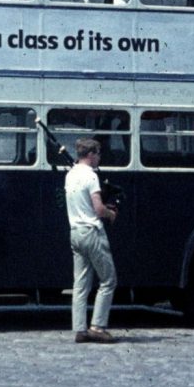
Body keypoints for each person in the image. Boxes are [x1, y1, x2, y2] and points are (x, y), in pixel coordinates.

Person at [66, 137, 118, 343]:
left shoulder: (70, 175)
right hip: (92, 232)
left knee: (80, 283)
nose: (99, 158)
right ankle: (97, 326)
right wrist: (110, 213)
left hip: (75, 232)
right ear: (90, 154)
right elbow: (97, 208)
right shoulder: (91, 176)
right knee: (108, 280)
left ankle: (79, 329)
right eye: (98, 154)